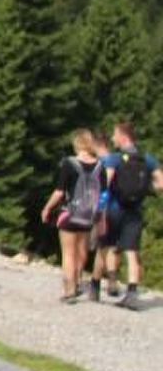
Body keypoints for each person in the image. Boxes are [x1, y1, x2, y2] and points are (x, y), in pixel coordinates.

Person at [42, 129, 106, 304]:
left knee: (68, 254)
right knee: (81, 252)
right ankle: (77, 282)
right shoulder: (100, 167)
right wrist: (100, 218)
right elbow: (103, 194)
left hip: (69, 214)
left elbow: (59, 192)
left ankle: (70, 291)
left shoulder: (69, 164)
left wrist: (47, 208)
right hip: (87, 216)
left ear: (77, 144)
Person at [97, 120, 157, 307]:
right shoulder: (147, 159)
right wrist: (144, 190)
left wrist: (99, 207)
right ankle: (132, 292)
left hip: (114, 208)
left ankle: (103, 283)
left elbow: (105, 182)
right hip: (135, 211)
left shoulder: (113, 159)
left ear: (123, 137)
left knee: (107, 246)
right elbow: (161, 184)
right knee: (132, 252)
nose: (113, 138)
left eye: (115, 134)